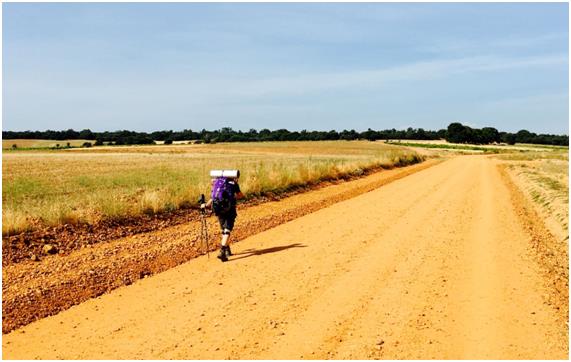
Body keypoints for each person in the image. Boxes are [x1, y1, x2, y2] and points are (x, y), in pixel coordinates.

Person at [201, 175, 244, 262]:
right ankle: (222, 251)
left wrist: (205, 205)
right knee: (227, 230)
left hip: (219, 210)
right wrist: (233, 197)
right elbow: (240, 196)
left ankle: (227, 250)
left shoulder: (216, 183)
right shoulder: (233, 184)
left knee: (223, 230)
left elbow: (213, 198)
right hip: (230, 210)